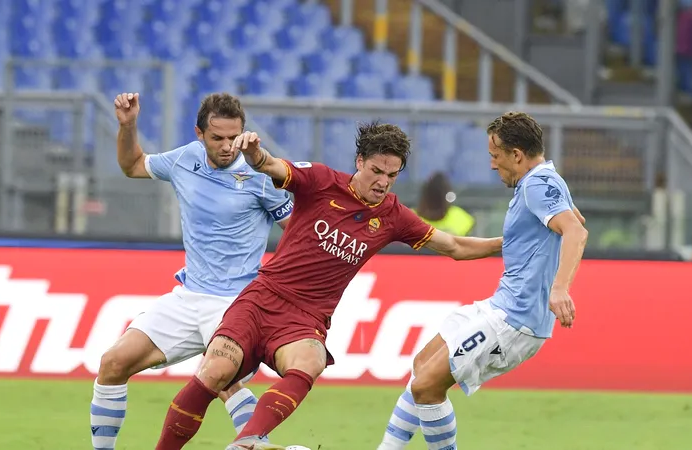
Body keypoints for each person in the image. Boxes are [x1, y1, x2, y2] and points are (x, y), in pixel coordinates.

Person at [153, 121, 505, 450]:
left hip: (305, 319)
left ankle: (246, 442)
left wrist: (510, 242)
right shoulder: (321, 180)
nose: (383, 182)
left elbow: (455, 246)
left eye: (392, 175)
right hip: (262, 299)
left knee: (310, 360)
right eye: (377, 171)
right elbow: (272, 166)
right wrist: (255, 154)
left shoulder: (393, 216)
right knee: (215, 371)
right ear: (360, 161)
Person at [90, 92, 293, 450]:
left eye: (234, 137)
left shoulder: (262, 175)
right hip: (188, 297)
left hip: (237, 303)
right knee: (112, 363)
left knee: (222, 380)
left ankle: (256, 442)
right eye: (218, 138)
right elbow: (132, 165)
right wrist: (128, 126)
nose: (228, 146)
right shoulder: (184, 159)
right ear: (199, 134)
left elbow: (297, 234)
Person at [377, 111, 588, 449]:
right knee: (422, 367)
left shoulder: (537, 183)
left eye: (495, 155)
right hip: (500, 305)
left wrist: (560, 287)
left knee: (427, 387)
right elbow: (572, 222)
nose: (492, 165)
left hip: (515, 319)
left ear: (516, 155)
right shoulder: (545, 182)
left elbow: (575, 230)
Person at [413, 172, 475, 236]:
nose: (435, 202)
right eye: (433, 196)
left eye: (438, 197)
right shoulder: (407, 217)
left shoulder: (462, 218)